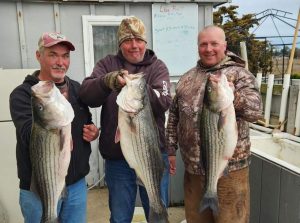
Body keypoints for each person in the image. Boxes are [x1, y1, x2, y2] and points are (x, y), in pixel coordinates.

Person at [79, 16, 172, 223]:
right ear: (120, 43)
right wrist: (108, 81)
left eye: (138, 40)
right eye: (127, 40)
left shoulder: (158, 67)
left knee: (157, 211)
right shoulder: (107, 64)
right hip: (117, 160)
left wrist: (138, 87)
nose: (134, 45)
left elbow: (164, 101)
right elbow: (86, 94)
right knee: (120, 218)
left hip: (152, 155)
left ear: (145, 42)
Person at [166, 25, 263, 223]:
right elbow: (174, 116)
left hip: (231, 171)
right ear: (198, 47)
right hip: (193, 170)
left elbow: (255, 112)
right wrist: (170, 149)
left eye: (214, 44)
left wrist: (232, 96)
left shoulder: (240, 74)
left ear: (225, 45)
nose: (208, 49)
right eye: (203, 44)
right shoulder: (187, 78)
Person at [9, 32, 99, 223]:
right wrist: (49, 108)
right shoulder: (23, 94)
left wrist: (92, 131)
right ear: (38, 55)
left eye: (65, 56)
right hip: (39, 186)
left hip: (76, 185)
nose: (60, 62)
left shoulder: (76, 88)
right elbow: (27, 134)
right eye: (53, 55)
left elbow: (86, 121)